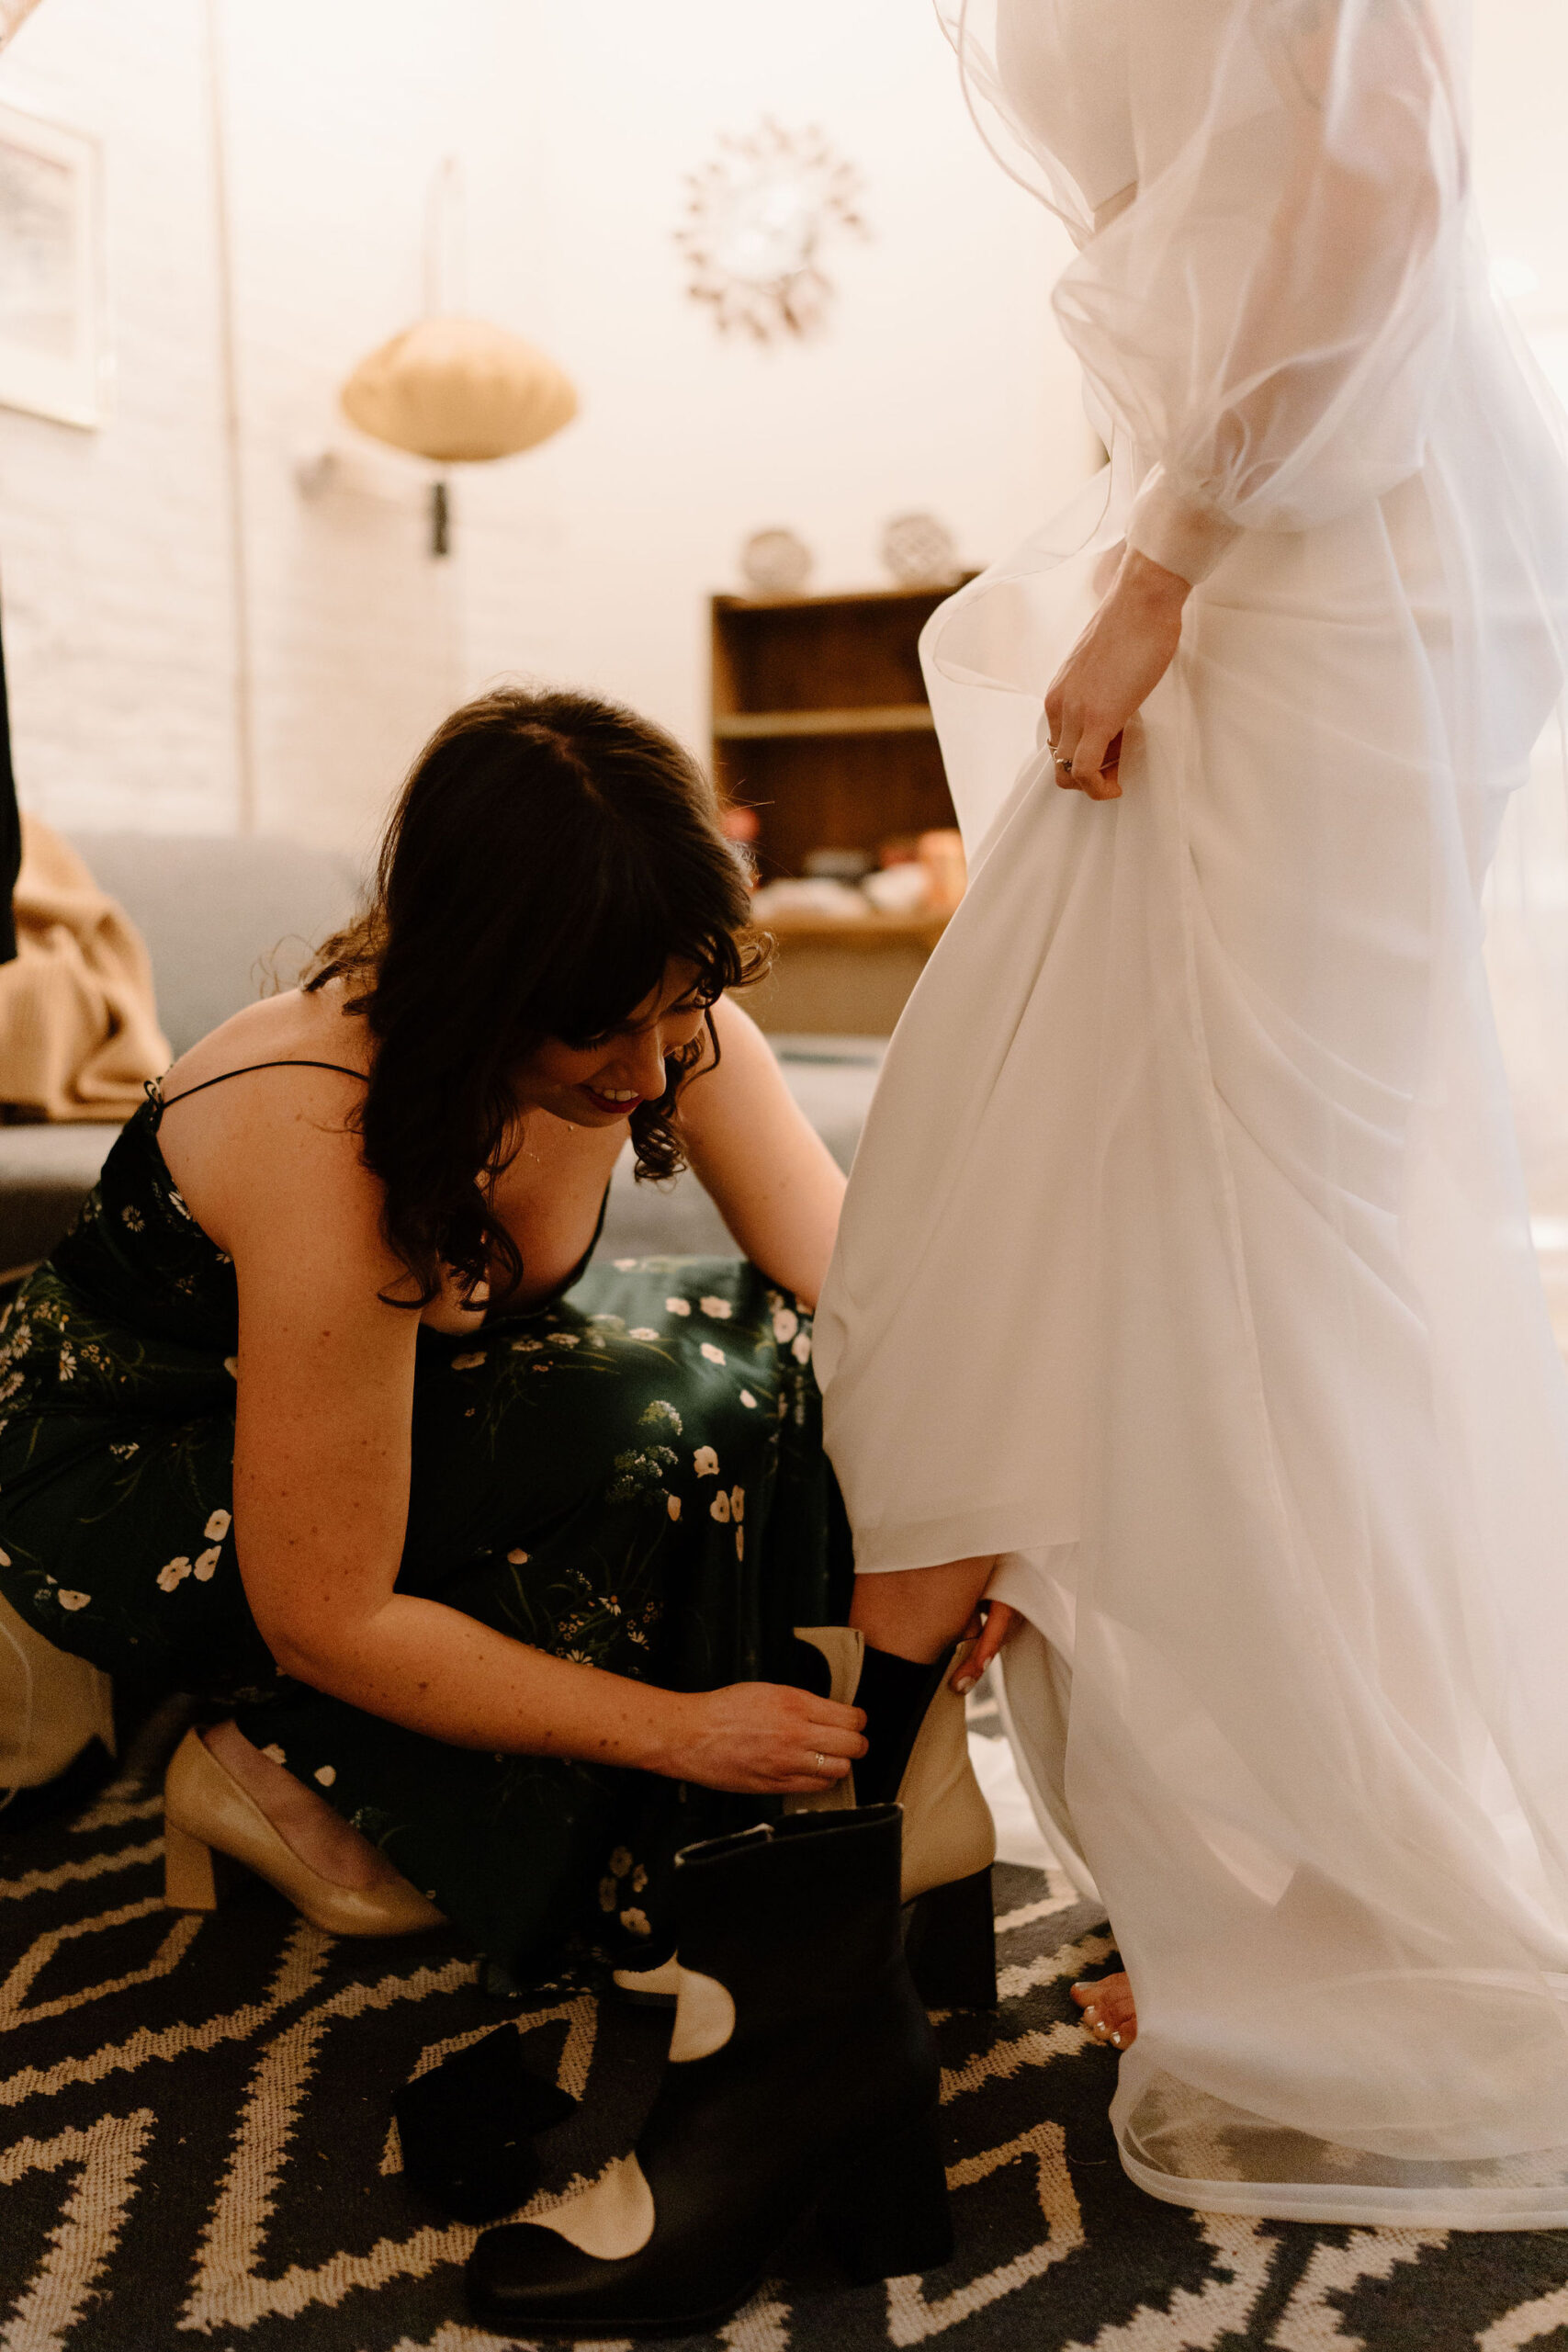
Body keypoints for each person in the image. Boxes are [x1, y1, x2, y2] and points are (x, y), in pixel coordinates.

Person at [815, 0, 1568, 2227]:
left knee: (1219, 1237)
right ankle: (1276, 1901)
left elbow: (1366, 188)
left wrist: (1160, 570)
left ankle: (1375, 1918)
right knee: (1113, 1205)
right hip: (1288, 528)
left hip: (1308, 556)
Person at [0, 686, 876, 1982]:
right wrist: (681, 1733)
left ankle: (764, 1773)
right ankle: (277, 1770)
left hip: (388, 1411)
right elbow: (328, 1613)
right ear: (481, 983)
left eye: (680, 1007)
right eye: (597, 1032)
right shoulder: (322, 1127)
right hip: (137, 1474)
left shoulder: (665, 1021)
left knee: (783, 1358)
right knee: (644, 1421)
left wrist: (974, 1531)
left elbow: (856, 1287)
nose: (647, 1075)